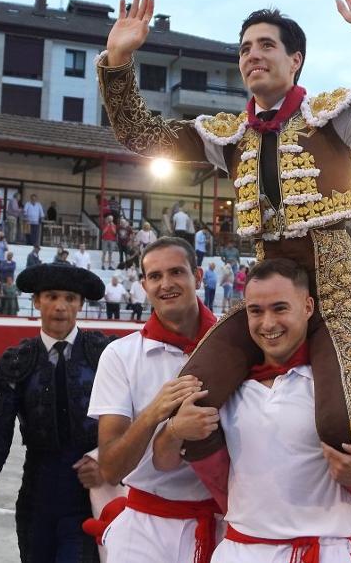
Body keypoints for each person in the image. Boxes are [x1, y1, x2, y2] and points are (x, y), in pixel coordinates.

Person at [96, 0, 351, 466]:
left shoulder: (335, 115)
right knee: (188, 406)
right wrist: (119, 61)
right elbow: (139, 135)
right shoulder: (228, 135)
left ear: (295, 60)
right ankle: (241, 489)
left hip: (336, 298)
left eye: (265, 45)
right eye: (244, 49)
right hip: (262, 302)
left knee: (340, 424)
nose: (252, 55)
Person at [152, 257, 351, 563]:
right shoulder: (225, 388)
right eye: (255, 311)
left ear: (307, 307)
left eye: (280, 308)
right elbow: (163, 461)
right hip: (239, 551)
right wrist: (173, 431)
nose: (268, 324)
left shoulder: (347, 385)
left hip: (321, 551)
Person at [0, 264, 110, 563]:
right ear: (37, 301)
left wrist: (105, 458)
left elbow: (134, 420)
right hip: (37, 496)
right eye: (51, 296)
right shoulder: (16, 361)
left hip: (92, 493)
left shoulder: (105, 353)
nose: (61, 306)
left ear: (80, 303)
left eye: (70, 297)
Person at [86, 237, 222, 561]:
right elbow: (110, 468)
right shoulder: (120, 355)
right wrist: (152, 414)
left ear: (198, 277)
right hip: (144, 529)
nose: (166, 284)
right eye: (156, 276)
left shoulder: (237, 345)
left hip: (224, 523)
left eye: (177, 272)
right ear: (144, 285)